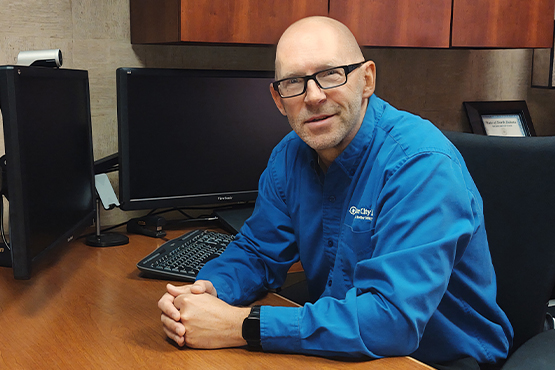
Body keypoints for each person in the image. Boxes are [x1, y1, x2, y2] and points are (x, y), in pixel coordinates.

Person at [158, 16, 513, 368]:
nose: (313, 96)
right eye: (294, 82)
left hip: (440, 357)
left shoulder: (421, 166)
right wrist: (209, 291)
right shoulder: (289, 156)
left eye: (331, 74)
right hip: (342, 344)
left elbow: (392, 321)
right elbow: (257, 252)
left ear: (367, 79)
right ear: (279, 99)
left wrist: (240, 325)